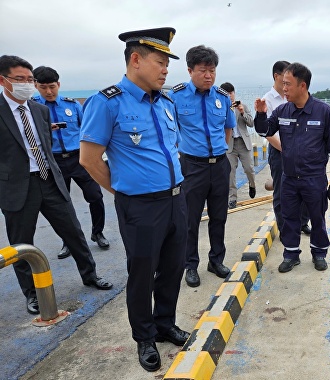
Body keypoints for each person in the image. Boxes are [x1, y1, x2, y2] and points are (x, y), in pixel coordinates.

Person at [79, 28, 189, 372]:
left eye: (167, 64)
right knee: (142, 272)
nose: (165, 70)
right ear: (136, 60)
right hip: (140, 206)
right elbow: (89, 159)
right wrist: (124, 190)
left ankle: (164, 323)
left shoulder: (166, 101)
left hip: (176, 199)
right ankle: (144, 337)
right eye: (160, 62)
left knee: (173, 266)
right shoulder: (107, 102)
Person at [0, 55, 113, 316]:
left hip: (49, 179)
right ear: (3, 80)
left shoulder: (39, 110)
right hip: (18, 187)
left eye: (30, 80)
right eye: (20, 80)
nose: (27, 84)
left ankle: (90, 274)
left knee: (73, 231)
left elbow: (46, 148)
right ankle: (33, 294)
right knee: (21, 244)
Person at [254, 62, 330, 273]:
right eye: (283, 84)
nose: (283, 88)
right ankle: (291, 254)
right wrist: (260, 114)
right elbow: (264, 130)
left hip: (314, 178)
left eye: (288, 84)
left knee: (317, 217)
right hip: (289, 177)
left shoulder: (323, 112)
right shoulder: (282, 110)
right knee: (289, 218)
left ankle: (319, 253)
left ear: (302, 85)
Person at [169, 45, 235, 288]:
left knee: (219, 216)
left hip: (219, 165)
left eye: (212, 70)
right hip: (191, 166)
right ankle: (190, 265)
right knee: (190, 219)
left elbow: (228, 128)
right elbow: (171, 131)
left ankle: (216, 260)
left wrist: (219, 151)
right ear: (190, 70)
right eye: (203, 70)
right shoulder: (176, 97)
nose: (209, 75)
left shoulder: (221, 97)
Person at [32, 66, 109, 260]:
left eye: (52, 87)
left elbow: (87, 130)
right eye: (43, 87)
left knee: (95, 197)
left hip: (78, 159)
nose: (49, 92)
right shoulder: (33, 108)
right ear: (35, 86)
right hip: (54, 162)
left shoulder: (72, 105)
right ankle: (68, 241)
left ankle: (97, 232)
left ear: (58, 84)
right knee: (62, 205)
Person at [262, 61, 311, 235]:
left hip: (300, 152)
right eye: (285, 77)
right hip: (279, 152)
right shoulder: (267, 100)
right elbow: (267, 132)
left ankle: (303, 223)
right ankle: (285, 229)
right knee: (282, 193)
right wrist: (286, 148)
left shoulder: (295, 96)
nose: (287, 84)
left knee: (304, 189)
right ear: (276, 76)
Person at [220, 82, 256, 209]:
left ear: (234, 93)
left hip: (243, 142)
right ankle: (232, 198)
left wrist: (242, 113)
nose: (229, 95)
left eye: (231, 93)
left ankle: (252, 184)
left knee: (249, 169)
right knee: (230, 172)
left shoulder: (243, 106)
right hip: (230, 144)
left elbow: (251, 123)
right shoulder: (220, 108)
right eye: (226, 93)